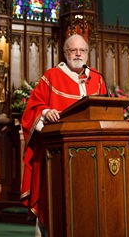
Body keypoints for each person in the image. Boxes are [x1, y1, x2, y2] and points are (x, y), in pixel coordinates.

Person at [20, 34, 108, 237]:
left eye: (82, 50)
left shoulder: (97, 78)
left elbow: (104, 110)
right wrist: (44, 111)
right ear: (65, 52)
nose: (78, 54)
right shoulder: (51, 76)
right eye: (73, 50)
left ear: (87, 53)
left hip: (93, 154)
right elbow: (32, 108)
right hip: (58, 154)